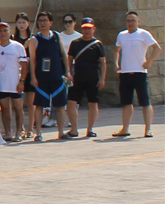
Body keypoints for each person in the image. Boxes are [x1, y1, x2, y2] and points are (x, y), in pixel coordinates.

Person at [114, 10, 159, 138]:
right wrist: (116, 64)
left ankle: (148, 128)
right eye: (128, 21)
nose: (130, 23)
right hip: (125, 72)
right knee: (127, 102)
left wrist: (149, 61)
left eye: (133, 20)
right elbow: (117, 50)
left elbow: (157, 48)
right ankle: (125, 128)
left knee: (145, 102)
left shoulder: (144, 34)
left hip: (139, 72)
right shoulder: (122, 35)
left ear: (138, 22)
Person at [27, 12, 68, 142]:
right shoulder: (34, 39)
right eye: (40, 21)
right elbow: (32, 60)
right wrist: (33, 77)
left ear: (51, 23)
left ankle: (61, 132)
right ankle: (38, 133)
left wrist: (67, 72)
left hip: (57, 76)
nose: (42, 23)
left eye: (45, 20)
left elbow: (63, 54)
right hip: (42, 78)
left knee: (60, 105)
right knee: (39, 106)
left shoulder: (57, 36)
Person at [66, 19, 107, 139]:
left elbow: (103, 62)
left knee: (93, 104)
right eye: (85, 28)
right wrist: (69, 73)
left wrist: (103, 78)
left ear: (94, 29)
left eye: (89, 28)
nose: (87, 30)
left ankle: (90, 129)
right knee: (71, 103)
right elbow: (69, 59)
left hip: (93, 78)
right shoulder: (75, 43)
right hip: (77, 77)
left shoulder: (98, 44)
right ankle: (74, 129)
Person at [0, 22, 28, 142]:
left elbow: (24, 66)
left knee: (18, 108)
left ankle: (19, 132)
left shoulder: (18, 47)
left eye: (5, 30)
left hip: (15, 83)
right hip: (1, 84)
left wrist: (22, 81)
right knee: (5, 109)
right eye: (0, 31)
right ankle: (8, 132)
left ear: (10, 32)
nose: (3, 33)